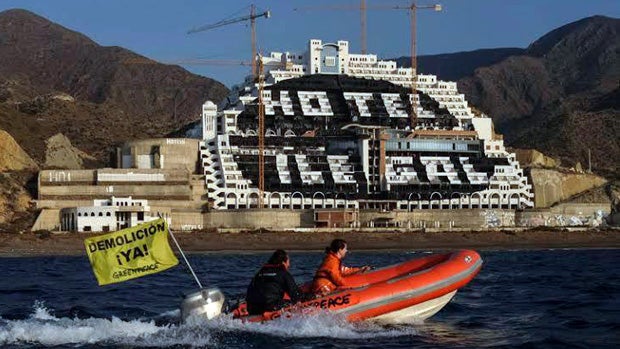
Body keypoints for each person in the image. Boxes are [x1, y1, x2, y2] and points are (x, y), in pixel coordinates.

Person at [246, 249, 302, 315]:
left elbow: (250, 290)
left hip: (252, 308)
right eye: (288, 261)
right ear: (283, 262)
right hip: (270, 306)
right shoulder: (283, 273)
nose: (289, 265)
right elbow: (295, 294)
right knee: (292, 304)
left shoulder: (259, 273)